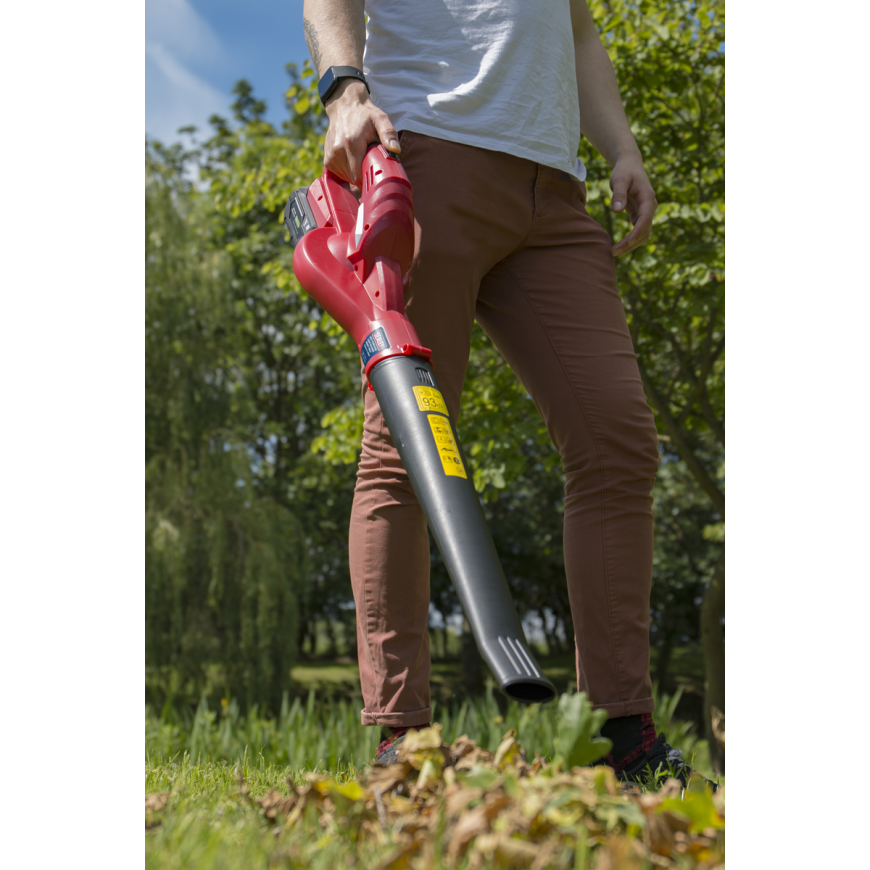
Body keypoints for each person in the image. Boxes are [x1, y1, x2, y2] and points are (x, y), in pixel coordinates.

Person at [302, 0, 696, 783]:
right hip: (425, 155)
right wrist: (344, 89)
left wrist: (621, 145)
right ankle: (401, 744)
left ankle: (621, 741)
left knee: (617, 441)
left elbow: (576, 31)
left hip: (556, 194)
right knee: (405, 447)